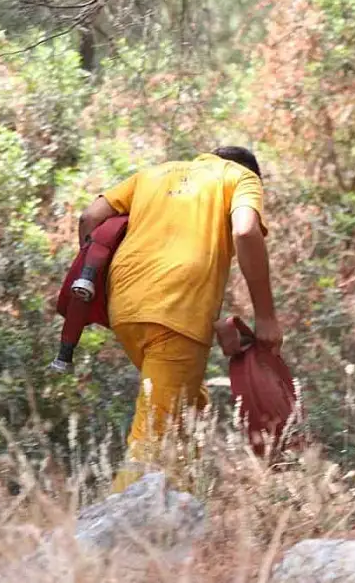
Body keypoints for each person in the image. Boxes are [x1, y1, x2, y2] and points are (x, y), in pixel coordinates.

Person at [77, 146, 281, 488]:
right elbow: (245, 232)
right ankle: (111, 532)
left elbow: (89, 217)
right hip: (176, 308)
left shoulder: (152, 174)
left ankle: (184, 507)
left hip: (124, 305)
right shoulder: (240, 177)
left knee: (188, 409)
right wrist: (266, 317)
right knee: (152, 441)